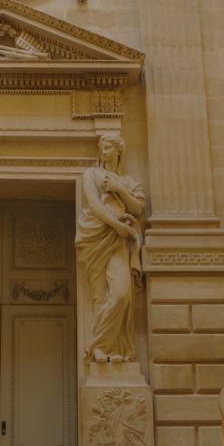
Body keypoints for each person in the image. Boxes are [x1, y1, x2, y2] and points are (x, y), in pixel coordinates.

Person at [76, 134, 146, 363]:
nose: (103, 151)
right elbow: (94, 204)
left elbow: (137, 209)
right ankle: (103, 352)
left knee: (121, 294)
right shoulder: (91, 174)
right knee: (100, 296)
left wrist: (120, 189)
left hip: (118, 241)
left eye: (108, 147)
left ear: (119, 151)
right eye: (102, 148)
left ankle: (102, 344)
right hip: (96, 237)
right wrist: (118, 226)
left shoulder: (129, 181)